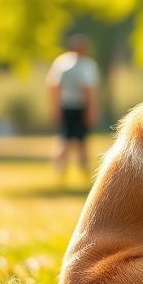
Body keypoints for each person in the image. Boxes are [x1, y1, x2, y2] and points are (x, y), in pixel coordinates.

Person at [47, 34, 100, 181]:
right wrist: (92, 109)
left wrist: (54, 106)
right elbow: (88, 89)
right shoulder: (87, 65)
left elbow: (53, 86)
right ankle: (85, 173)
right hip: (80, 106)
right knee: (82, 141)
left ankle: (59, 171)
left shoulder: (61, 63)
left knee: (63, 139)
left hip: (64, 105)